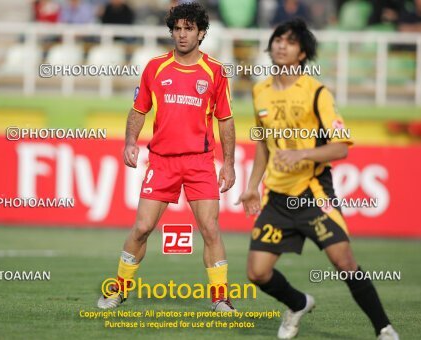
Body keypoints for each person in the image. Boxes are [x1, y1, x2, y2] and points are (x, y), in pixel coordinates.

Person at [237, 19, 399, 340]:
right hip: (277, 199)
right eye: (277, 39)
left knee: (344, 262)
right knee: (257, 272)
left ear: (302, 53)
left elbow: (340, 148)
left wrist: (302, 155)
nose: (282, 45)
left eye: (290, 41)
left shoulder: (318, 93)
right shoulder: (260, 91)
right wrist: (251, 185)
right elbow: (262, 143)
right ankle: (298, 303)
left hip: (313, 194)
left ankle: (384, 329)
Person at [97, 2, 237, 312]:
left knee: (211, 230)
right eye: (178, 28)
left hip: (200, 162)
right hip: (161, 161)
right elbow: (138, 110)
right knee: (142, 228)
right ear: (171, 31)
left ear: (201, 33)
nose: (183, 34)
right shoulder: (155, 67)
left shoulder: (214, 71)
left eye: (189, 29)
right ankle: (117, 291)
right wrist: (130, 141)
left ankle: (220, 298)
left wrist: (229, 163)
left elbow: (225, 120)